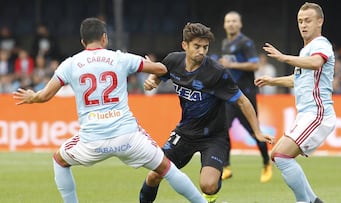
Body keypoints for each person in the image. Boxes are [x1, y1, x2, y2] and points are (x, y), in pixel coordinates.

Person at [13, 17, 207, 203]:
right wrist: (149, 63)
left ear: (83, 41)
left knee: (59, 160)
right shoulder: (120, 58)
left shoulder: (70, 64)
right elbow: (161, 70)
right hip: (128, 137)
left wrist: (32, 97)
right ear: (104, 37)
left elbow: (45, 95)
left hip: (92, 140)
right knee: (167, 169)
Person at [139, 22, 274, 203]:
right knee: (154, 176)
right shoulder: (173, 60)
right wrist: (152, 79)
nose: (201, 51)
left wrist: (257, 131)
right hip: (184, 133)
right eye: (197, 46)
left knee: (208, 186)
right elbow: (158, 71)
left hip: (214, 137)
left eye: (205, 47)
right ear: (184, 45)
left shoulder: (216, 73)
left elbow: (243, 101)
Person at [254, 2, 335, 203]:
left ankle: (303, 201)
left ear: (320, 21)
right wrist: (273, 80)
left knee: (282, 156)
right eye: (300, 21)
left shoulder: (321, 45)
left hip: (318, 114)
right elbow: (297, 80)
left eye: (308, 20)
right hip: (307, 114)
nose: (303, 25)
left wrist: (283, 58)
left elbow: (317, 62)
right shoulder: (305, 50)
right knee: (276, 155)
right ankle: (314, 201)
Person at [218, 11, 272, 182]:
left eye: (234, 21)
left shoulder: (245, 42)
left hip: (246, 95)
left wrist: (231, 64)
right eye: (228, 21)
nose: (231, 24)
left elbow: (255, 64)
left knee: (254, 131)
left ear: (240, 24)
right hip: (229, 95)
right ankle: (226, 166)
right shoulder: (225, 43)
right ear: (224, 24)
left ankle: (266, 163)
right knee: (222, 130)